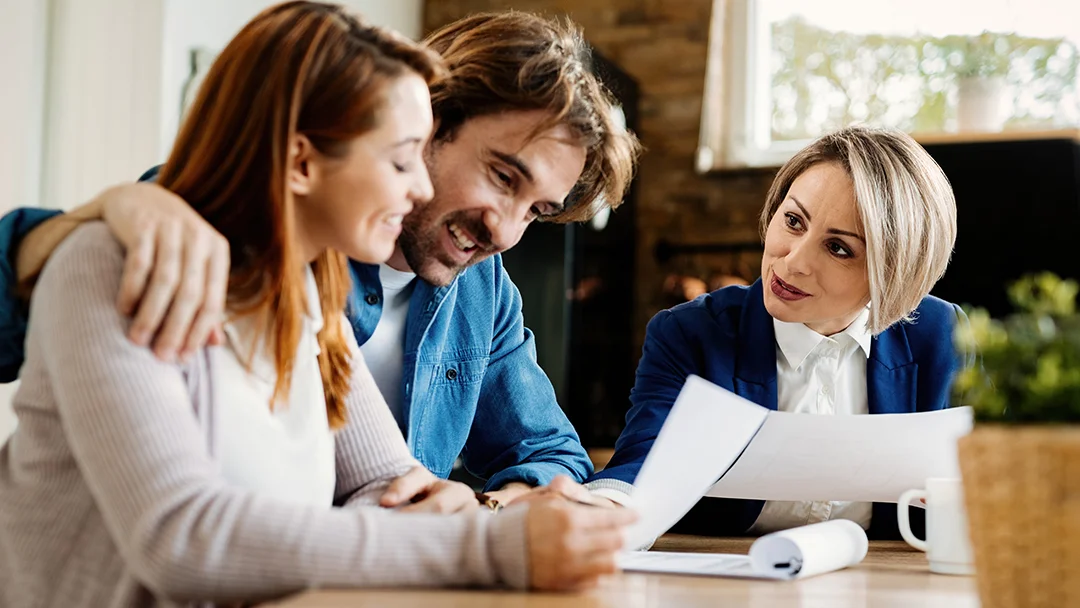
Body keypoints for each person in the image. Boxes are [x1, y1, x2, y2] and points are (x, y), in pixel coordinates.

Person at [0, 4, 635, 605]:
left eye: (537, 211)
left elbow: (384, 485)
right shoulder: (144, 251)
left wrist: (452, 519)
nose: (507, 234)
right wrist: (483, 545)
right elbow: (180, 536)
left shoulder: (306, 288)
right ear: (303, 160)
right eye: (400, 157)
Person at [586, 126, 965, 539]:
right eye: (793, 221)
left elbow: (983, 480)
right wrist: (596, 514)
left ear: (893, 273)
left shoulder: (942, 337)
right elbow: (643, 462)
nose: (793, 262)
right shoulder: (688, 333)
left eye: (838, 248)